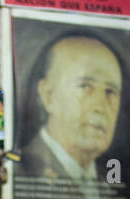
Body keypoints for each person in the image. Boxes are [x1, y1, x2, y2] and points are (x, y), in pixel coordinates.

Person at [17, 34, 124, 184]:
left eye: (110, 91)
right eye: (84, 86)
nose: (100, 107)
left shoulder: (111, 183)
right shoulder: (20, 170)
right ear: (48, 96)